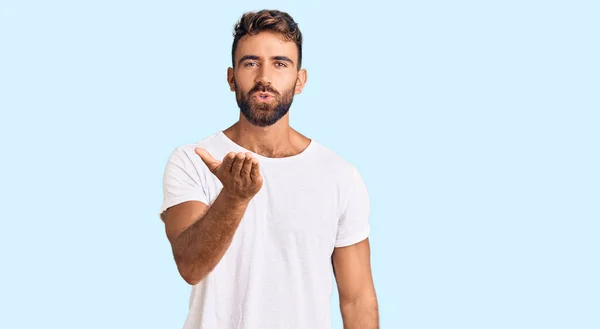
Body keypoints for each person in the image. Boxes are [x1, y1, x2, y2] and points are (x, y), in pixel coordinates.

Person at [159, 9, 379, 329]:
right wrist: (234, 197)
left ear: (299, 80)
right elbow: (190, 266)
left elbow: (357, 298)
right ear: (232, 77)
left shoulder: (339, 175)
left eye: (280, 63)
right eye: (251, 62)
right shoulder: (193, 159)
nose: (264, 77)